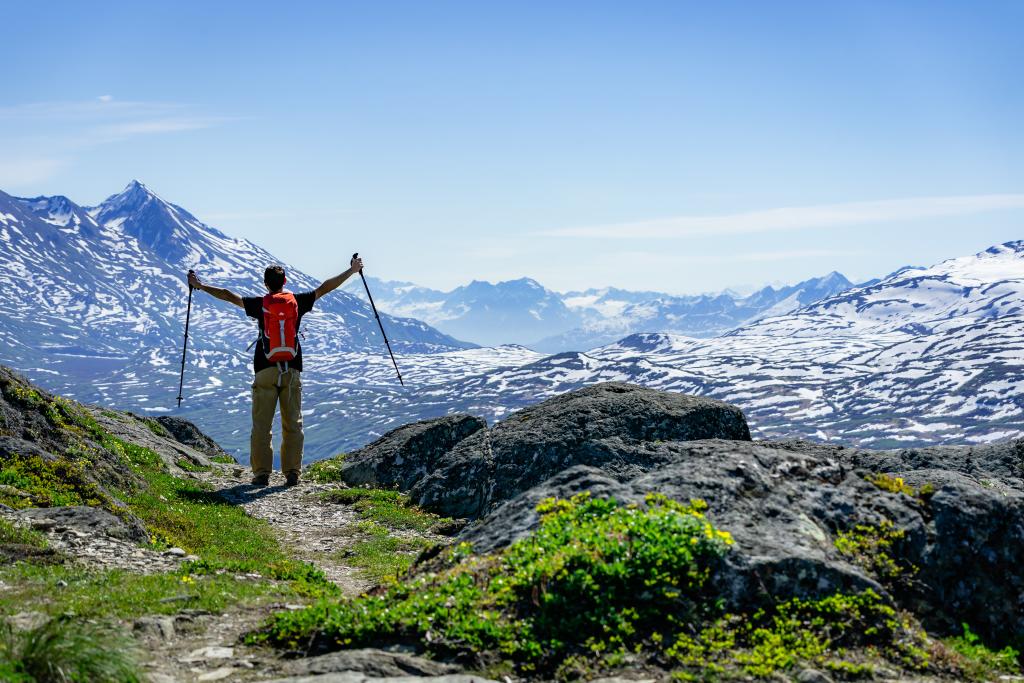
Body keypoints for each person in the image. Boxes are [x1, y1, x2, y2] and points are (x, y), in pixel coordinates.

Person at [187, 255, 363, 486]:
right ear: (285, 281)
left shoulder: (260, 304)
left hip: (264, 369)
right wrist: (351, 271)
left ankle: (261, 474)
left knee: (262, 425)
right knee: (292, 423)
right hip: (291, 369)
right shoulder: (298, 301)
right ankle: (292, 473)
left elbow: (228, 295)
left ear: (265, 284)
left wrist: (199, 285)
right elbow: (324, 288)